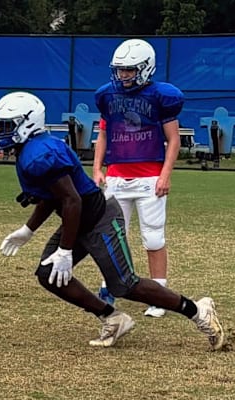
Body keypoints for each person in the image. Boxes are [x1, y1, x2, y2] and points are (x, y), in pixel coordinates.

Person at [0, 91, 224, 350]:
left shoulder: (39, 154)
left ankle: (198, 310)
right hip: (79, 218)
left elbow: (72, 200)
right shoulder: (35, 149)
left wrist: (66, 250)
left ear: (28, 123)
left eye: (5, 125)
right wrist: (28, 230)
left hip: (98, 217)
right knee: (49, 273)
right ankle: (112, 318)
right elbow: (53, 196)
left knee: (125, 285)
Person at [92, 39, 183, 318]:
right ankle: (110, 286)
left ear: (144, 68)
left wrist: (165, 174)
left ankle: (160, 294)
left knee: (153, 238)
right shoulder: (108, 96)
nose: (123, 75)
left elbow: (174, 139)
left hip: (149, 177)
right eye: (120, 70)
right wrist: (97, 169)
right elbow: (104, 135)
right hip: (117, 177)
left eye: (129, 70)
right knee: (111, 237)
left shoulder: (161, 96)